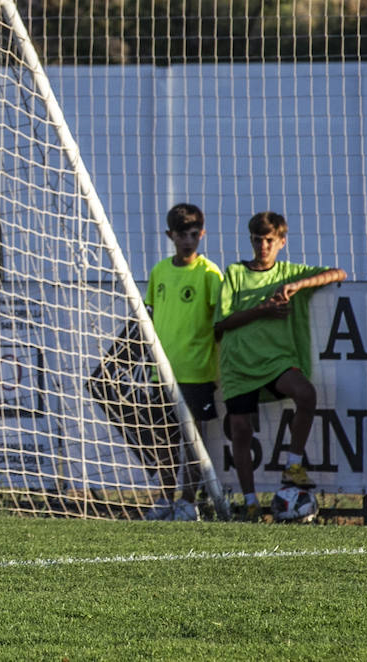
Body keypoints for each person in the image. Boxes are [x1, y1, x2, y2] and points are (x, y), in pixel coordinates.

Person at [214, 211, 346, 521]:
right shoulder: (233, 273)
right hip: (239, 364)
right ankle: (249, 504)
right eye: (258, 240)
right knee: (241, 431)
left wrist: (299, 285)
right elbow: (221, 324)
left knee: (306, 394)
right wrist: (262, 309)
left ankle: (293, 467)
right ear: (251, 241)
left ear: (282, 242)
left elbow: (338, 273)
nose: (263, 246)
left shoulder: (290, 273)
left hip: (276, 361)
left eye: (269, 240)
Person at [139, 203, 222, 522]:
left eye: (193, 234)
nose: (188, 241)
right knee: (163, 438)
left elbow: (219, 323)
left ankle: (189, 501)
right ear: (169, 235)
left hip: (196, 371)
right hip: (161, 371)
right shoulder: (159, 271)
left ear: (201, 234)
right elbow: (151, 317)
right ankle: (164, 498)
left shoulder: (209, 273)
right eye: (181, 235)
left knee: (193, 439)